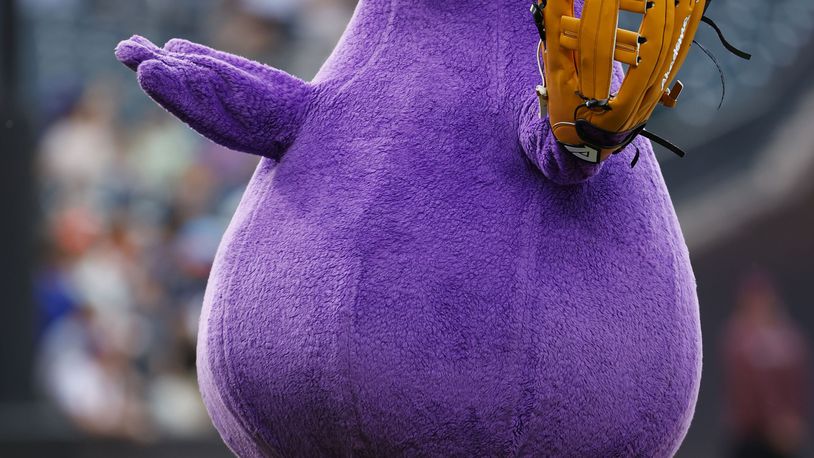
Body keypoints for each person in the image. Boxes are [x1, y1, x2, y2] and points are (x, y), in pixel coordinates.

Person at [723, 270, 810, 458]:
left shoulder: (787, 339)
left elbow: (795, 386)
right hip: (751, 436)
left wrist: (790, 421)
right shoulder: (739, 338)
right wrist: (773, 421)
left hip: (783, 436)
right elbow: (747, 388)